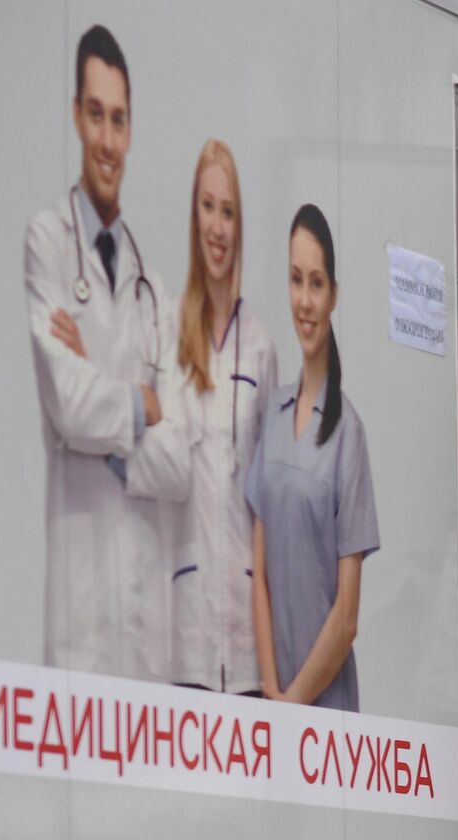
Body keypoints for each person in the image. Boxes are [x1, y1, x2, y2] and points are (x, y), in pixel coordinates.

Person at [25, 24, 192, 679]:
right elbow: (69, 405)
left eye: (118, 119)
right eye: (95, 115)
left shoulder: (154, 287)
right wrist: (147, 402)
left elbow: (181, 461)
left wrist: (104, 393)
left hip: (145, 618)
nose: (107, 137)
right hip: (82, 611)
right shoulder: (48, 240)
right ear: (76, 116)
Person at [245, 204, 378, 711]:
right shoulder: (272, 417)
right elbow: (259, 576)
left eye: (316, 283)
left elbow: (346, 616)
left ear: (334, 294)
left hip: (326, 707)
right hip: (272, 696)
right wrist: (271, 691)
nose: (303, 300)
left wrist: (294, 701)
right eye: (295, 280)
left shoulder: (348, 433)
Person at [168, 140, 279, 695]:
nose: (217, 225)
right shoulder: (165, 333)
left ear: (239, 226)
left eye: (228, 211)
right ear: (193, 216)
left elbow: (269, 494)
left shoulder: (259, 347)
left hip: (243, 629)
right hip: (179, 628)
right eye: (208, 207)